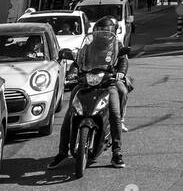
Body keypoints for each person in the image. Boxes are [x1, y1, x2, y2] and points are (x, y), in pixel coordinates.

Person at [51, 16, 129, 169]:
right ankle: (62, 152)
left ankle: (117, 153)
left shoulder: (116, 45)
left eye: (106, 31)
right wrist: (73, 72)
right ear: (95, 32)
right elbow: (78, 61)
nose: (103, 34)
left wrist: (120, 72)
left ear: (112, 32)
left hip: (108, 83)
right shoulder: (88, 46)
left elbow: (123, 60)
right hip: (86, 83)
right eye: (100, 31)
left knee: (115, 113)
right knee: (70, 115)